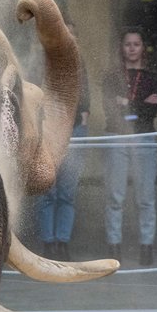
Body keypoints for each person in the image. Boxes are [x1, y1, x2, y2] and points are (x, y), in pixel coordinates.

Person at [101, 26, 157, 266]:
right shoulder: (111, 78)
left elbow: (152, 111)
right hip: (116, 137)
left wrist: (127, 103)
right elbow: (110, 109)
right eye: (128, 44)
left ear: (142, 48)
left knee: (145, 197)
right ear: (122, 47)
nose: (132, 48)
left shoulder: (153, 78)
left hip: (144, 138)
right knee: (115, 196)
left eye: (136, 44)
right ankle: (113, 246)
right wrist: (139, 104)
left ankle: (146, 246)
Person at [37, 22, 90, 261]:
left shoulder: (81, 66)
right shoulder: (43, 64)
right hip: (48, 131)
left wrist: (82, 123)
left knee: (67, 192)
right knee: (49, 190)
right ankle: (48, 243)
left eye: (71, 34)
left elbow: (85, 101)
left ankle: (63, 242)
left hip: (75, 131)